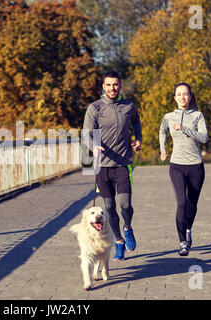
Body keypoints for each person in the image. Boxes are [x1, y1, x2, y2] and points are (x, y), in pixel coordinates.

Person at [83, 70, 142, 261]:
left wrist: (138, 139)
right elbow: (86, 134)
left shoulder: (128, 107)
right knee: (109, 208)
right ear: (103, 86)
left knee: (125, 205)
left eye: (115, 84)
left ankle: (128, 228)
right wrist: (94, 147)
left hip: (123, 164)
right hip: (102, 166)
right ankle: (118, 242)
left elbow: (136, 123)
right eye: (108, 85)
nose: (112, 88)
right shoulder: (95, 107)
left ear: (120, 85)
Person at [159, 82, 208, 256]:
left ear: (190, 96)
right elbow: (162, 131)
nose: (182, 97)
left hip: (196, 166)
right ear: (175, 98)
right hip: (177, 165)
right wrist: (163, 149)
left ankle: (188, 229)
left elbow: (204, 137)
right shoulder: (168, 116)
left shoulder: (198, 116)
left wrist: (185, 129)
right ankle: (182, 242)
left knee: (192, 205)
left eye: (185, 94)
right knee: (182, 203)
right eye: (179, 94)